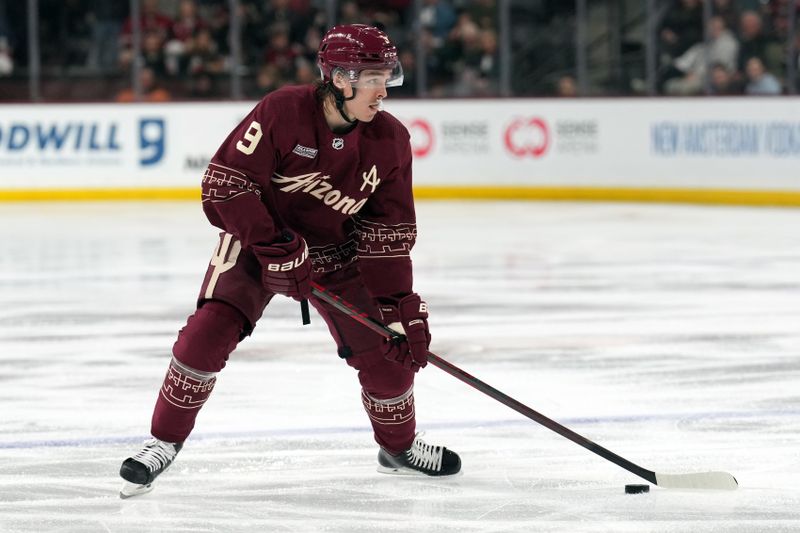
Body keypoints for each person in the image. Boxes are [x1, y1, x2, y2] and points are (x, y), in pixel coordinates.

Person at [119, 23, 461, 499]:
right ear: (340, 78)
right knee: (205, 336)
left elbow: (388, 230)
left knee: (389, 358)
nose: (384, 90)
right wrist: (275, 245)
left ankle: (398, 449)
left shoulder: (390, 141)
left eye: (387, 76)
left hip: (338, 258)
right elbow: (225, 185)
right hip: (258, 247)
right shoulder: (283, 111)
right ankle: (161, 443)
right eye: (374, 77)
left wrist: (399, 307)